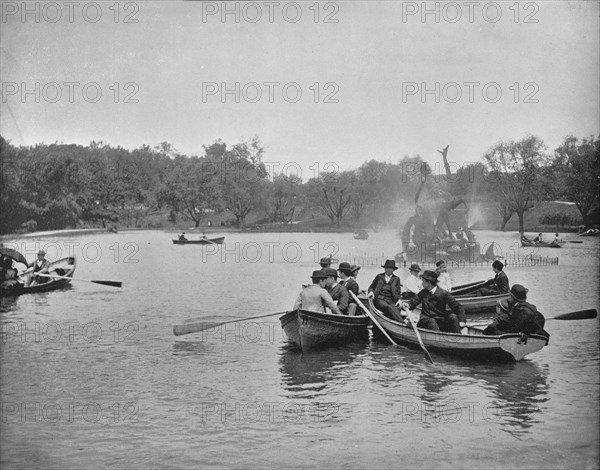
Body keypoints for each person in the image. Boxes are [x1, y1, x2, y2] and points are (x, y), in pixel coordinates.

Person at [483, 285, 549, 338]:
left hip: (515, 334)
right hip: (530, 333)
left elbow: (512, 327)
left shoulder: (517, 309)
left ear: (512, 297)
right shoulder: (531, 307)